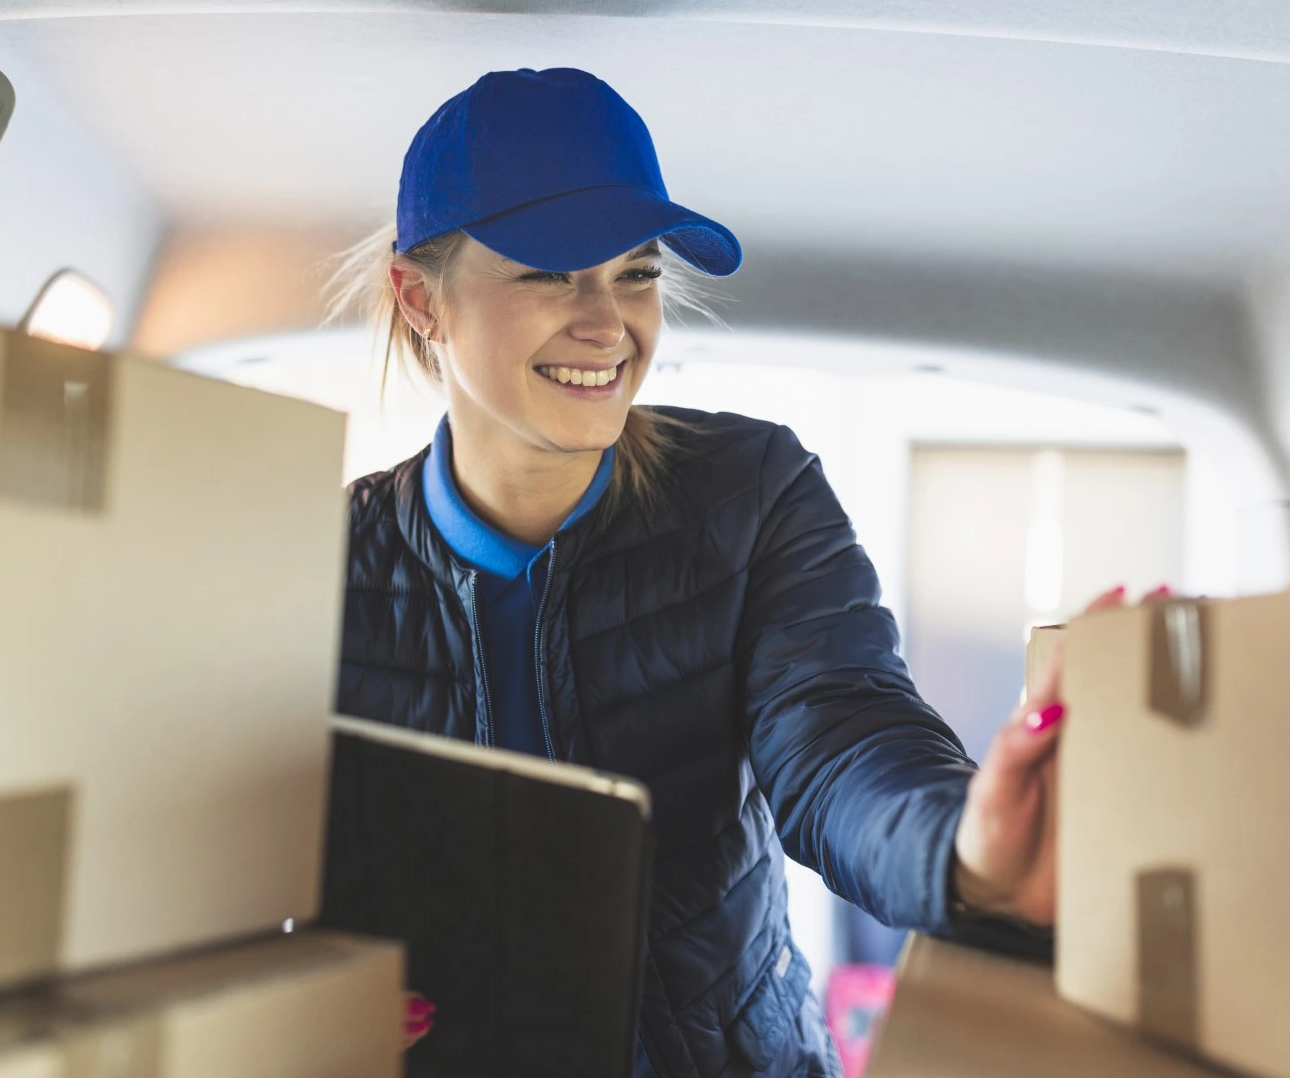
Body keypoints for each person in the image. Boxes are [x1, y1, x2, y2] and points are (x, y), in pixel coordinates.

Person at [327, 66, 1128, 1076]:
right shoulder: (316, 565)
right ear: (419, 298)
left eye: (636, 272)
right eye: (547, 272)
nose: (607, 322)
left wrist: (961, 846)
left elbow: (840, 735)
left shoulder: (750, 494)